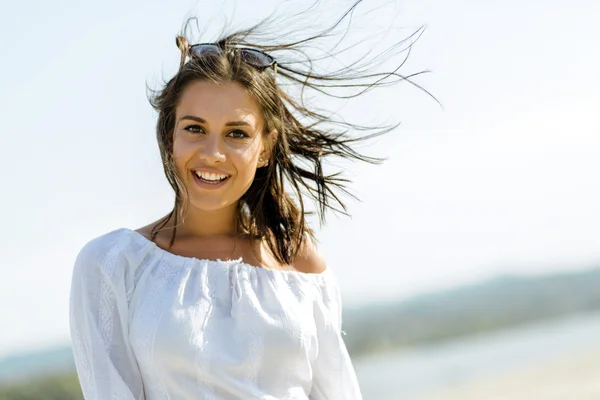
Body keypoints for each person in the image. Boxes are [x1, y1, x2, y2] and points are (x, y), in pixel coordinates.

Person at [69, 3, 429, 399]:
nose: (213, 153)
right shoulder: (115, 264)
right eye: (195, 128)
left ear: (264, 149)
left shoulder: (299, 262)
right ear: (170, 136)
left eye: (237, 134)